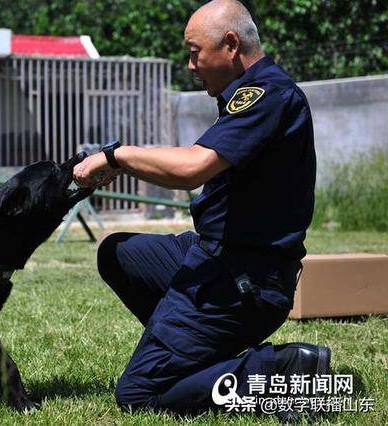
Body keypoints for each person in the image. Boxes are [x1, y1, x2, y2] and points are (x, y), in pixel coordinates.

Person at [73, 0, 330, 416]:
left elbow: (193, 168)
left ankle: (274, 370)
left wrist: (117, 156)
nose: (191, 65)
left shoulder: (266, 95)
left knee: (138, 395)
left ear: (230, 44)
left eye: (195, 52)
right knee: (118, 253)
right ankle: (195, 354)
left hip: (245, 279)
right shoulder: (254, 94)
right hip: (216, 252)